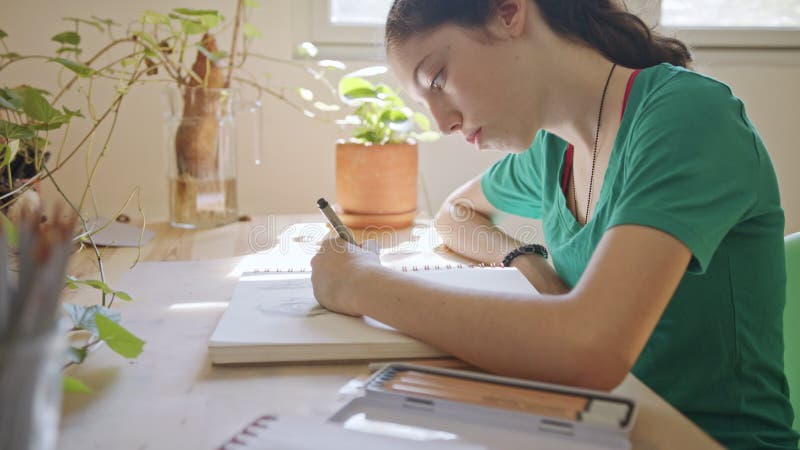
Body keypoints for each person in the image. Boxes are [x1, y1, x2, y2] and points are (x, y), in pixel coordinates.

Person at [310, 1, 799, 448]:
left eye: (437, 78)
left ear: (508, 12)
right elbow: (456, 214)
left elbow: (590, 348)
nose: (442, 124)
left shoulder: (687, 117)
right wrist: (529, 262)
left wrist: (361, 284)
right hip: (598, 426)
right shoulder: (553, 146)